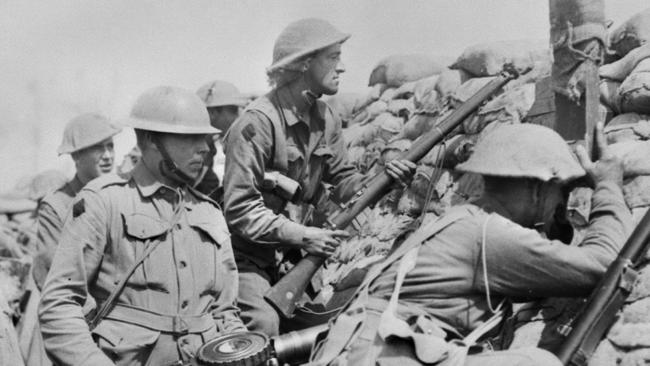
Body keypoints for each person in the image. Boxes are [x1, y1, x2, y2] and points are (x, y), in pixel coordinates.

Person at [308, 123, 632, 366]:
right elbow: (604, 267)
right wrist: (608, 187)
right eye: (560, 193)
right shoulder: (489, 234)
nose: (559, 208)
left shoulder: (464, 219)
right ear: (537, 187)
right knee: (538, 363)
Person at [223, 17, 416, 337]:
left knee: (327, 327)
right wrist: (304, 235)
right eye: (333, 57)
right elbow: (240, 210)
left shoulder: (325, 118)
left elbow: (344, 183)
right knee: (264, 326)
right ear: (303, 64)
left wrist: (385, 177)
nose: (342, 67)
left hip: (294, 258)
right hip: (248, 258)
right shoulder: (257, 123)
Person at [39, 86, 246, 366]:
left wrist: (240, 351)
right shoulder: (105, 201)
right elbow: (59, 305)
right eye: (191, 138)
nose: (205, 148)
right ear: (150, 140)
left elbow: (225, 312)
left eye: (207, 139)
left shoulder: (209, 213)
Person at [34, 113, 121, 290]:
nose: (107, 156)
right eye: (97, 148)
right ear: (76, 156)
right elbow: (53, 277)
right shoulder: (56, 206)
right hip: (81, 310)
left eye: (110, 147)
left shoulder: (120, 196)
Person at [194, 80, 249, 202]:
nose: (239, 116)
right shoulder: (197, 148)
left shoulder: (220, 143)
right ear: (212, 113)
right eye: (233, 111)